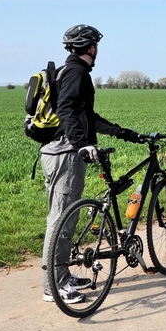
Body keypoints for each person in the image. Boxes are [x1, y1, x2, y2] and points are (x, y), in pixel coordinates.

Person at [41, 24, 141, 303]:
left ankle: (61, 277)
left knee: (62, 217)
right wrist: (81, 144)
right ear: (91, 48)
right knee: (62, 219)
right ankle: (55, 286)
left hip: (55, 152)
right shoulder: (77, 73)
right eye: (97, 46)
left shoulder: (66, 71)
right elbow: (67, 110)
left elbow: (87, 116)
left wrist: (121, 132)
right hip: (66, 154)